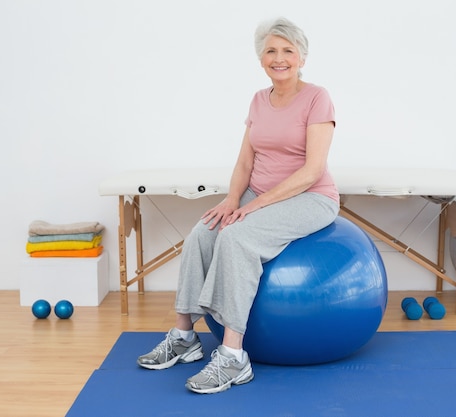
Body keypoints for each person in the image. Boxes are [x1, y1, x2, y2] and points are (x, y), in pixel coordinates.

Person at [137, 17, 340, 394]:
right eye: (270, 51)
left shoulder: (317, 97)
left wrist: (255, 206)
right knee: (205, 231)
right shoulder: (258, 100)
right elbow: (245, 161)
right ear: (261, 58)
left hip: (310, 198)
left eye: (287, 51)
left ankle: (233, 357)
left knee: (236, 238)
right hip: (256, 195)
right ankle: (184, 337)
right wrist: (232, 201)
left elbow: (312, 171)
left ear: (302, 58)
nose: (279, 58)